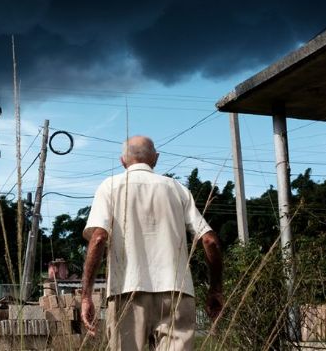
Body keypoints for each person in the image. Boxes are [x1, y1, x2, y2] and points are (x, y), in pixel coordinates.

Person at [80, 135, 223, 350]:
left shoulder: (110, 186)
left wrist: (86, 295)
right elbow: (210, 241)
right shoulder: (177, 189)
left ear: (122, 160)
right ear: (155, 159)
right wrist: (215, 289)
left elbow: (99, 237)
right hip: (177, 292)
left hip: (126, 292)